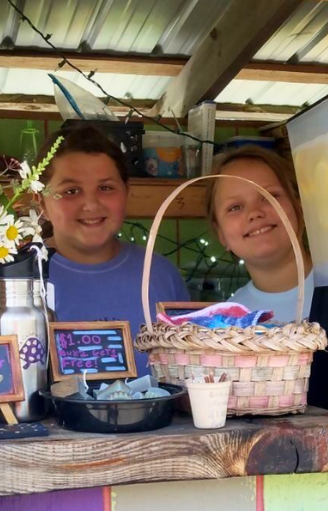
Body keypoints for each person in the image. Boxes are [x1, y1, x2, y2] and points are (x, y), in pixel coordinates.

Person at [38, 125, 188, 373]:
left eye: (105, 188)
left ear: (127, 193)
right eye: (71, 191)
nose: (90, 204)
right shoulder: (9, 278)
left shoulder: (160, 274)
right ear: (40, 201)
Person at [205, 145, 313, 323]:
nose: (255, 212)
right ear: (221, 234)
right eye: (235, 207)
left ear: (298, 207)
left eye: (269, 196)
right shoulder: (228, 324)